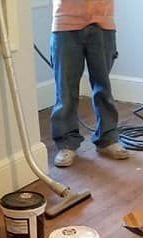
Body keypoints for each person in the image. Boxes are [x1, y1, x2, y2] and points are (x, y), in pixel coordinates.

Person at [50, 0, 129, 168]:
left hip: (103, 22)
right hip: (65, 23)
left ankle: (107, 139)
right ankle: (66, 143)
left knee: (103, 88)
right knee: (65, 90)